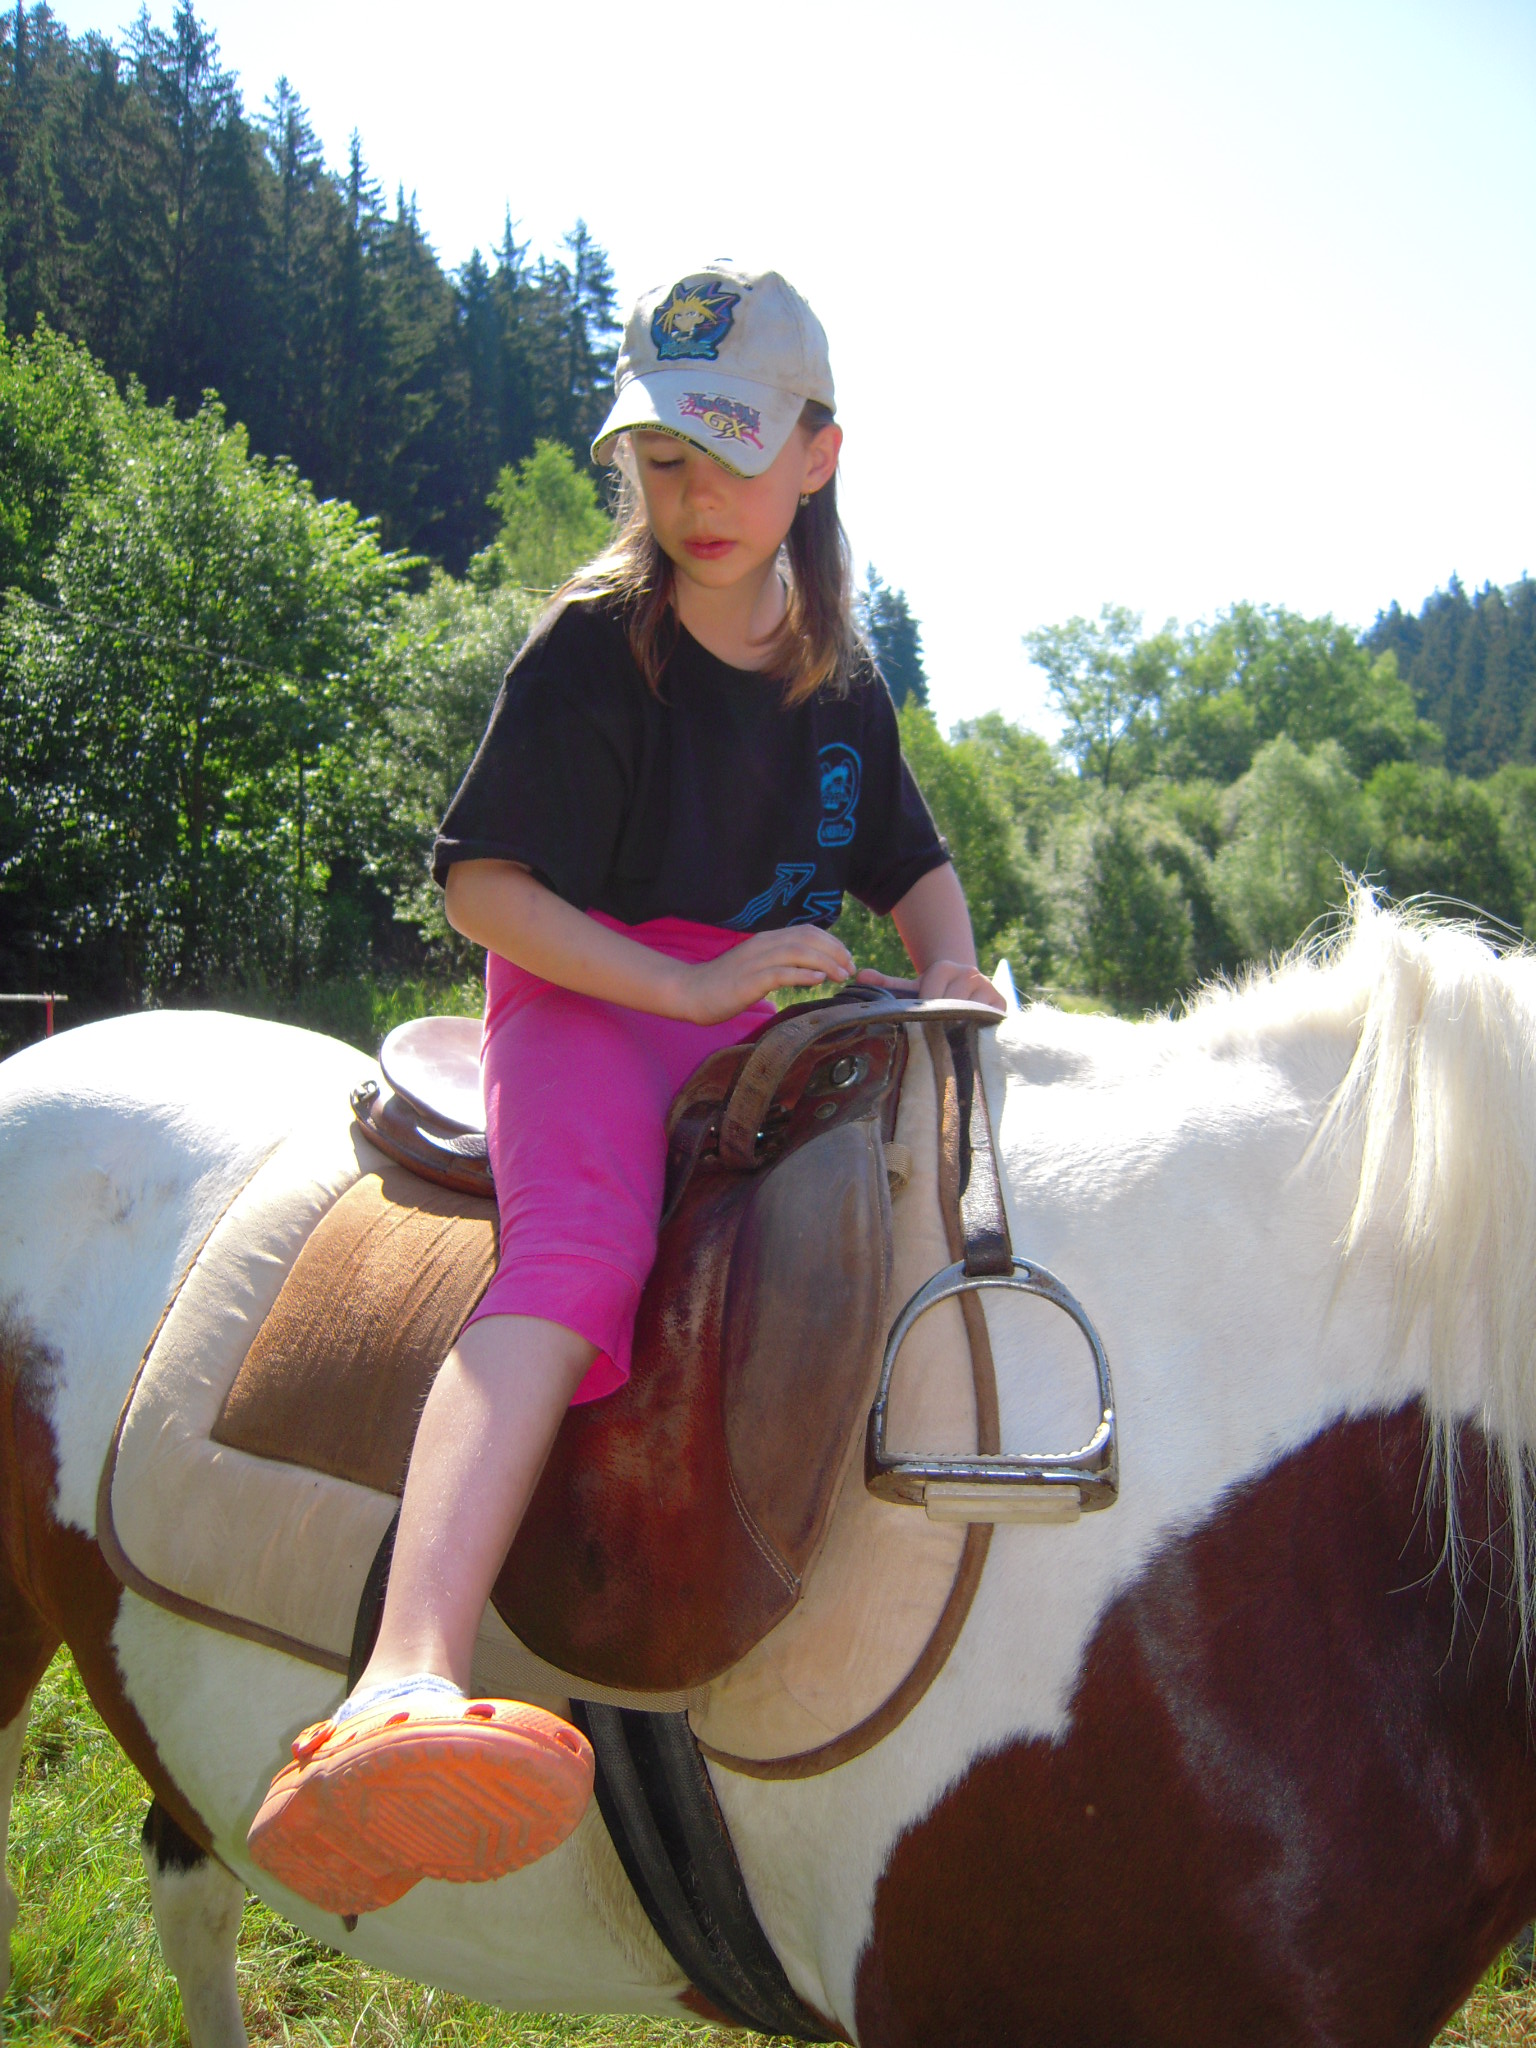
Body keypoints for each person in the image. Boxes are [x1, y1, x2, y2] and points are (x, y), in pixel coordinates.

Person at [247, 261, 1005, 1916]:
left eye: (730, 454)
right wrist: (680, 985)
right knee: (581, 1255)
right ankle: (404, 1668)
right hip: (595, 999)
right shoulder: (597, 649)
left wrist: (949, 970)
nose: (694, 495)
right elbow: (484, 887)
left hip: (763, 1007)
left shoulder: (840, 674)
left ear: (818, 456)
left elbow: (914, 868)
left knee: (934, 1176)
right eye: (662, 458)